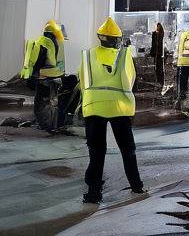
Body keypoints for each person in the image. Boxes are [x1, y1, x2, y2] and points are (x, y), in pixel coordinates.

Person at [80, 17, 144, 204]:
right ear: (117, 39)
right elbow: (131, 81)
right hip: (119, 107)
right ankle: (136, 186)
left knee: (96, 152)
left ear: (100, 37)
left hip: (94, 107)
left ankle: (93, 193)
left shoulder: (88, 55)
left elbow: (83, 80)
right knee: (127, 150)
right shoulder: (124, 56)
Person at [19, 19, 78, 132]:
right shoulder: (53, 43)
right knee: (52, 102)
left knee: (43, 102)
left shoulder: (41, 41)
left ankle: (48, 123)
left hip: (39, 78)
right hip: (49, 78)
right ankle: (53, 125)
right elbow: (57, 66)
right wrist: (61, 74)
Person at [150, 22, 165, 88]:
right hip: (158, 53)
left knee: (159, 68)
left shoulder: (160, 34)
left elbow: (156, 44)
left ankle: (160, 81)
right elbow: (153, 44)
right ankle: (159, 81)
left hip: (160, 54)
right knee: (157, 68)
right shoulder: (155, 34)